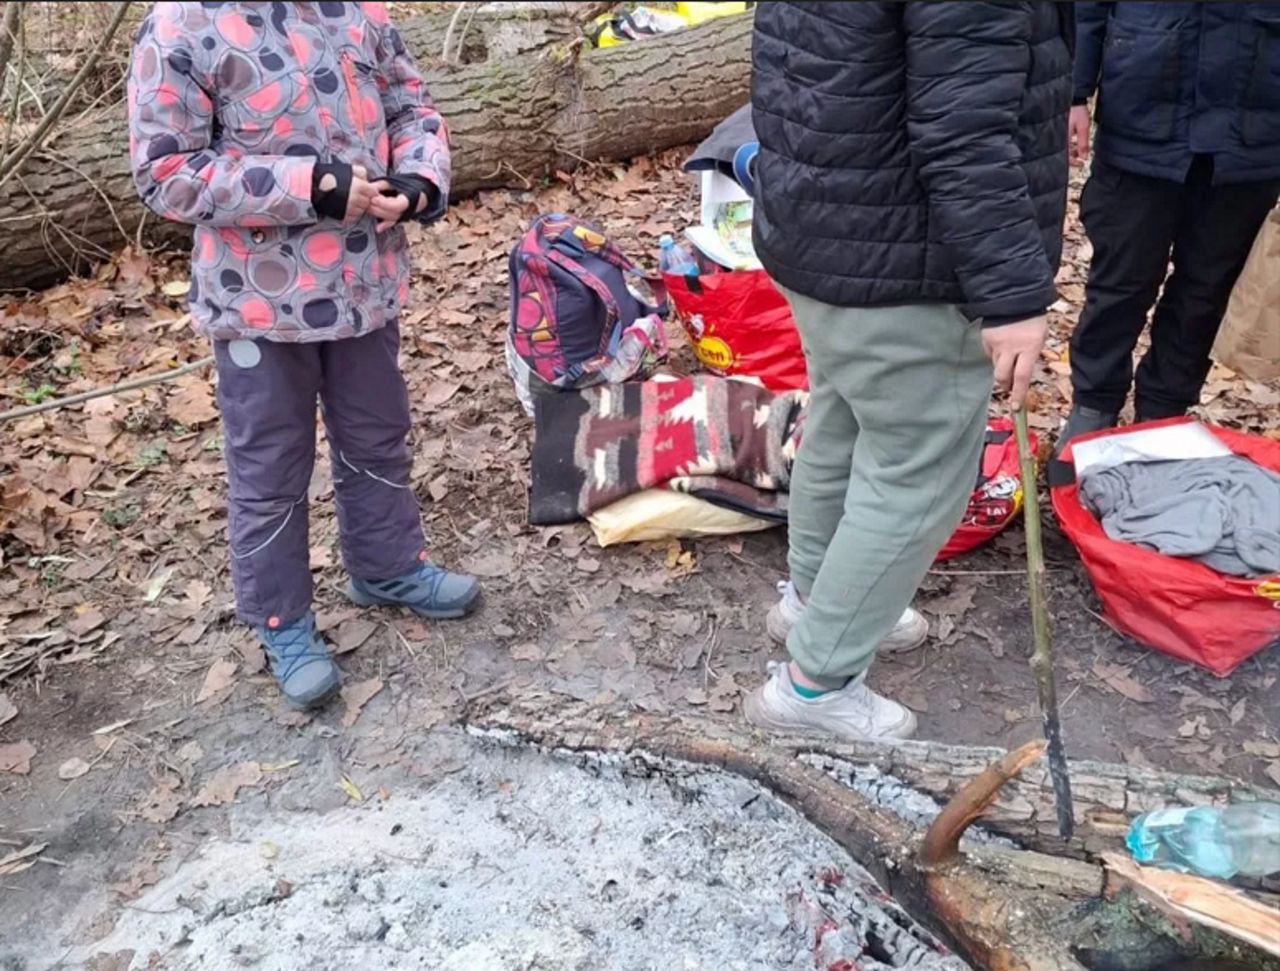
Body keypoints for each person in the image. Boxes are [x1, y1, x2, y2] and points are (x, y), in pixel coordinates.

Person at [127, 2, 479, 709]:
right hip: (257, 304)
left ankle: (387, 566)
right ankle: (281, 619)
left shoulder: (356, 11)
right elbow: (166, 172)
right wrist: (308, 187)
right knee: (269, 467)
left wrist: (417, 180)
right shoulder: (180, 26)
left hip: (363, 285)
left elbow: (411, 108)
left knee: (376, 436)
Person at [743, 2, 1074, 741]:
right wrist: (1012, 295)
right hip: (905, 258)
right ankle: (815, 686)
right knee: (916, 474)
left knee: (842, 417)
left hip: (825, 224)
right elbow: (963, 131)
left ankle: (813, 602)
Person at [1050, 2, 1280, 483]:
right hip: (1143, 109)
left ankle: (1163, 415)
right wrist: (1074, 92)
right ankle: (1093, 405)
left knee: (1207, 291)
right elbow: (1088, 8)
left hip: (1252, 130)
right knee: (1120, 282)